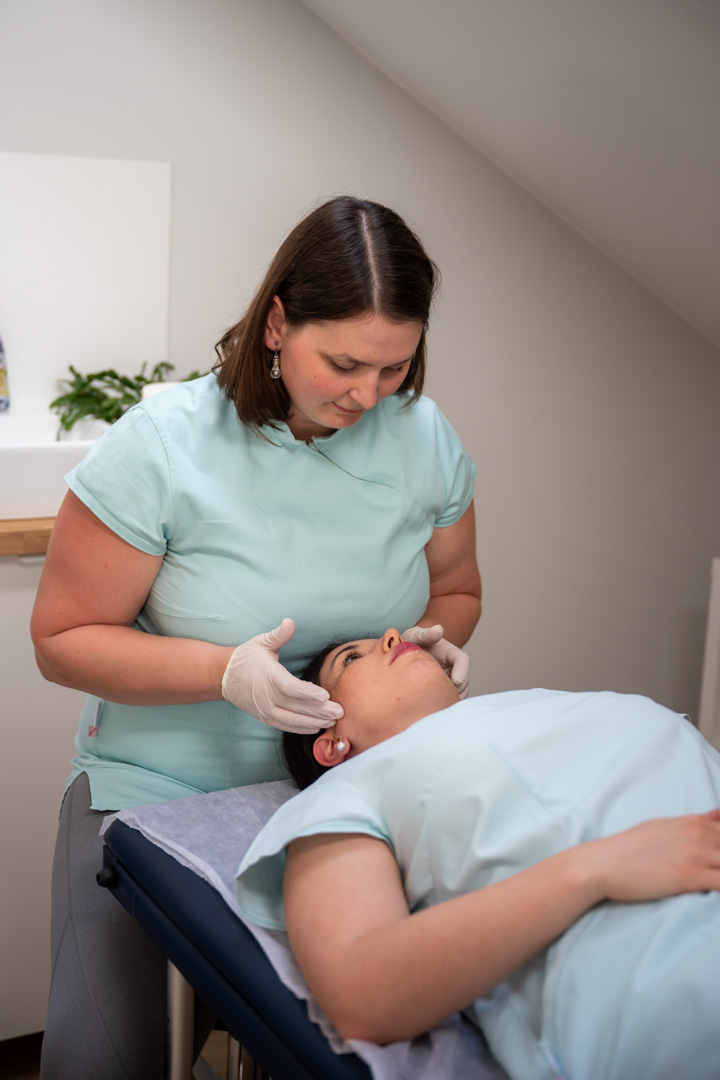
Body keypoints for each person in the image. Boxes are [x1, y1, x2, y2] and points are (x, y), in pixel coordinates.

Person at [30, 197, 482, 1080]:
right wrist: (222, 673)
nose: (367, 395)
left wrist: (435, 647)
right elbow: (62, 638)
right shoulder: (162, 445)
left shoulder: (423, 438)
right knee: (108, 1058)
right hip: (157, 790)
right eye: (344, 363)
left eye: (394, 367)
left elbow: (456, 591)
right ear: (277, 324)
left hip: (353, 792)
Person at [236, 629, 720, 1080]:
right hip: (670, 984)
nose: (393, 636)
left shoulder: (541, 705)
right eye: (351, 659)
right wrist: (594, 869)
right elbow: (360, 994)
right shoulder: (345, 791)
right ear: (331, 745)